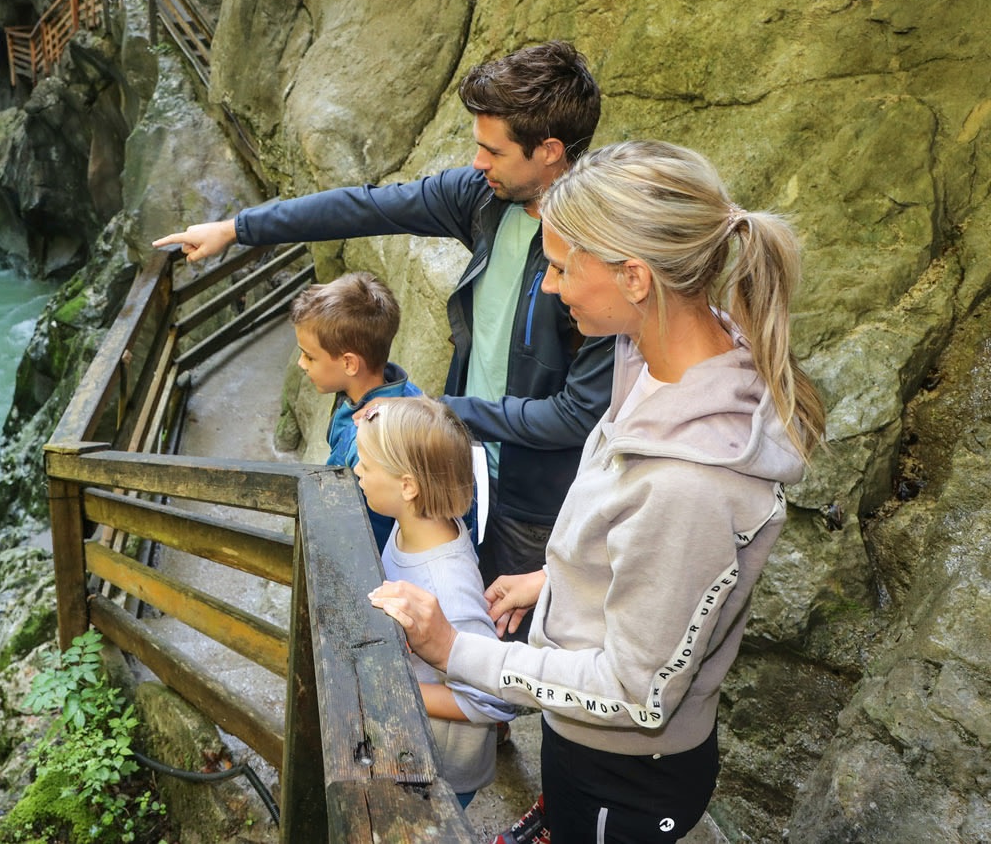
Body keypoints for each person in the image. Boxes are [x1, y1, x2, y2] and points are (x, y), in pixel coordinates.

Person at [368, 140, 826, 844]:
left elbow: (632, 692)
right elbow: (639, 548)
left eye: (558, 266)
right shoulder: (657, 353)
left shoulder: (692, 484)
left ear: (635, 277)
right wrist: (557, 579)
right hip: (583, 739)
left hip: (628, 772)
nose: (550, 286)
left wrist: (453, 650)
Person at [153, 41, 614, 634]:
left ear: (549, 152)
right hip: (465, 464)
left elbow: (578, 417)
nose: (477, 162)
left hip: (537, 498)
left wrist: (441, 411)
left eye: (492, 149)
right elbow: (364, 207)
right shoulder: (484, 201)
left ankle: (487, 723)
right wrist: (238, 228)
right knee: (450, 608)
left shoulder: (597, 258)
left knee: (504, 642)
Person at [354, 396, 516, 808]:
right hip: (417, 735)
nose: (356, 471)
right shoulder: (417, 523)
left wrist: (394, 688)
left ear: (408, 486)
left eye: (366, 465)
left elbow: (493, 699)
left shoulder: (448, 584)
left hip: (444, 768)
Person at [289, 272, 422, 552]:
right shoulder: (403, 390)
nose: (301, 363)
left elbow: (367, 532)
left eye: (310, 356)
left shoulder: (368, 443)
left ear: (349, 364)